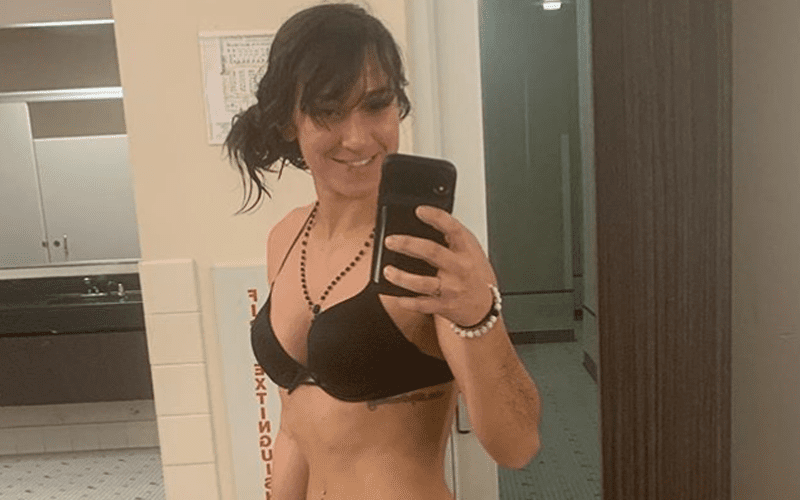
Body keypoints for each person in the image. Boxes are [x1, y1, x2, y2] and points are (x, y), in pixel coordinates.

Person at [224, 3, 541, 499]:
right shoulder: (285, 238)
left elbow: (517, 446)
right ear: (289, 121)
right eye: (329, 110)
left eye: (376, 105)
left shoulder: (431, 251)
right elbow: (296, 428)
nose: (358, 138)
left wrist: (481, 316)